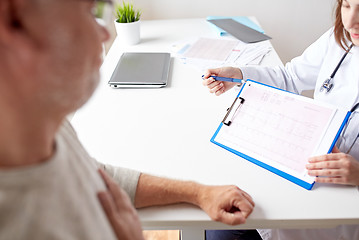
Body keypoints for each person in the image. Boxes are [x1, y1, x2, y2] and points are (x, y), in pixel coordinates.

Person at [0, 0, 256, 239]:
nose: (105, 35)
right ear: (11, 19)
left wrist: (199, 193)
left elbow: (98, 175)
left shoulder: (46, 124)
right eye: (90, 12)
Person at [203, 0, 359, 239]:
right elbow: (290, 77)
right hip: (299, 167)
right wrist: (240, 75)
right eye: (346, 6)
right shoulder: (341, 38)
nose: (349, 21)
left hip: (342, 204)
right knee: (220, 222)